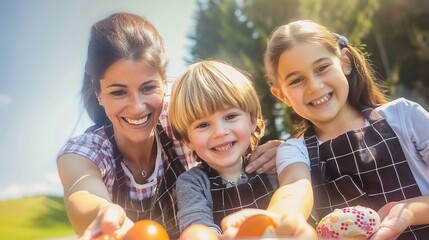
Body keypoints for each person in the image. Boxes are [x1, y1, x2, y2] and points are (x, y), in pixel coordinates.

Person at [56, 12, 281, 239]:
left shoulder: (184, 111)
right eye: (118, 92)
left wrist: (281, 152)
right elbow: (81, 192)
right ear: (98, 94)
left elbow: (232, 117)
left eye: (147, 88)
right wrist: (104, 213)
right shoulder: (85, 152)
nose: (137, 107)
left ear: (164, 82)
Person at [260, 19, 429, 240]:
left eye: (322, 68)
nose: (314, 86)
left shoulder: (404, 116)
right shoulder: (294, 151)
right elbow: (293, 189)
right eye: (296, 80)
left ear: (345, 62)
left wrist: (407, 213)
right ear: (282, 96)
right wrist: (276, 223)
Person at [168, 60, 279, 235]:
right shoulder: (192, 183)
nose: (219, 132)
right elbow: (197, 228)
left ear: (252, 120)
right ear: (187, 139)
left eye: (230, 116)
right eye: (203, 125)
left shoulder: (271, 165)